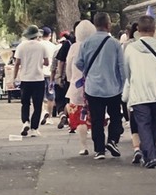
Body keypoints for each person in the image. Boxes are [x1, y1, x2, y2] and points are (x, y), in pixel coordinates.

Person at [74, 11, 125, 160]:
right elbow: (121, 66)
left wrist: (87, 72)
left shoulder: (86, 43)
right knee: (116, 116)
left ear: (95, 25)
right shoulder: (115, 44)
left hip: (93, 87)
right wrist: (123, 83)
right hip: (113, 87)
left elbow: (78, 62)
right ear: (108, 25)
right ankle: (113, 140)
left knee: (97, 119)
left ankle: (99, 150)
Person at [123, 15, 156, 169]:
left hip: (139, 93)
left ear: (137, 29)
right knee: (155, 123)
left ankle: (150, 156)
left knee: (143, 124)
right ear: (154, 29)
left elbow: (127, 72)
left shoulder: (130, 48)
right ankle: (151, 154)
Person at [64, 20, 96, 154]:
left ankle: (84, 146)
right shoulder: (95, 45)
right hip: (94, 85)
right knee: (95, 115)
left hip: (77, 86)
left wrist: (70, 79)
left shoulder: (74, 47)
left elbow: (69, 66)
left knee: (80, 118)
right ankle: (98, 145)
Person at [12, 25, 50, 136]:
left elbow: (17, 63)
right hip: (38, 78)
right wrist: (39, 63)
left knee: (25, 103)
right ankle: (34, 128)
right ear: (37, 35)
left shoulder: (21, 46)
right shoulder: (42, 46)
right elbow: (47, 62)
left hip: (25, 79)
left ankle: (25, 122)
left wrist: (14, 77)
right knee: (37, 105)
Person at [53, 31, 72, 125]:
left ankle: (63, 115)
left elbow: (59, 63)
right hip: (77, 77)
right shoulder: (80, 45)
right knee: (70, 99)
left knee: (61, 99)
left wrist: (59, 77)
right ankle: (70, 117)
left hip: (66, 77)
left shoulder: (65, 46)